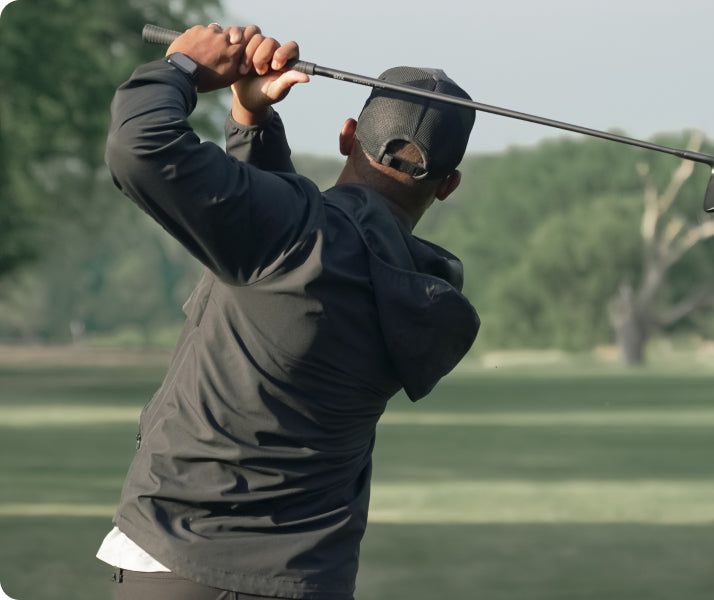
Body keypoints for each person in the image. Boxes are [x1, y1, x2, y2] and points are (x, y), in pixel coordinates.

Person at [96, 24, 479, 600]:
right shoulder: (425, 292)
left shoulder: (291, 233)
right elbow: (298, 247)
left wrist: (179, 68)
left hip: (180, 565)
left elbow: (139, 147)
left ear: (348, 136)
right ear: (448, 185)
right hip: (307, 580)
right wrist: (251, 119)